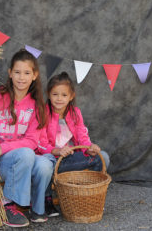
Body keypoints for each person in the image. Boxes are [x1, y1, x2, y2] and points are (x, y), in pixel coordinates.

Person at [0, 49, 53, 227]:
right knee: (26, 154)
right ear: (10, 73)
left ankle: (36, 208)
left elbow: (31, 141)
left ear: (34, 75)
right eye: (17, 72)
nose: (21, 77)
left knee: (45, 164)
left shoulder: (36, 105)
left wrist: (2, 147)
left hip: (20, 160)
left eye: (27, 73)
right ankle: (7, 204)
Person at [37, 72, 110, 217]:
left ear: (71, 96)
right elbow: (41, 143)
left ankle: (84, 193)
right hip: (51, 158)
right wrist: (57, 151)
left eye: (64, 95)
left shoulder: (75, 113)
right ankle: (47, 199)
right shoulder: (42, 113)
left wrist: (89, 148)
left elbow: (82, 136)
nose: (59, 99)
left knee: (103, 157)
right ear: (48, 94)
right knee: (45, 166)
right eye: (55, 94)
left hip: (70, 159)